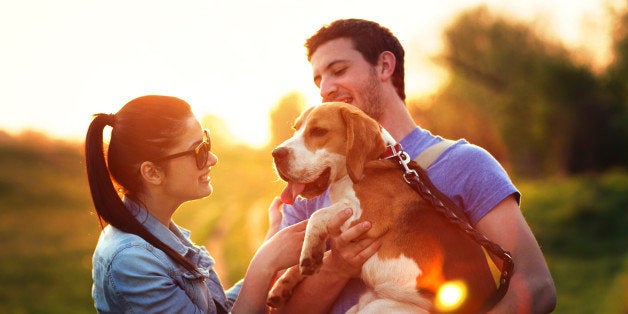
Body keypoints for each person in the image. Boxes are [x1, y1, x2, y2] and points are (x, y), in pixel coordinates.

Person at [275, 19, 557, 313]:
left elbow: (537, 287)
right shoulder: (310, 183)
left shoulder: (465, 164)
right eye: (318, 80)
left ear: (385, 66)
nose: (326, 89)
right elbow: (279, 309)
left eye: (338, 71)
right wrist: (337, 268)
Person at [85, 95, 306, 313]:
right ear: (152, 172)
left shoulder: (157, 236)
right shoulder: (132, 260)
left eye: (206, 142)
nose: (213, 159)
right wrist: (265, 264)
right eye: (198, 150)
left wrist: (268, 249)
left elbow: (218, 310)